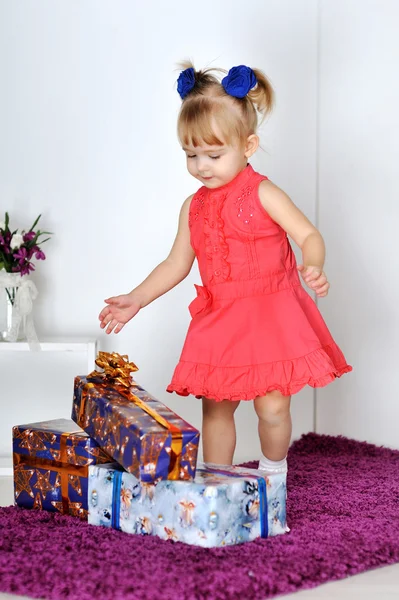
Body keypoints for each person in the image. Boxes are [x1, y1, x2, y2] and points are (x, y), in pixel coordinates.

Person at [98, 62, 352, 475]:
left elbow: (308, 235)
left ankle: (273, 472)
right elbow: (176, 263)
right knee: (215, 409)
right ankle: (218, 482)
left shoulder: (263, 193)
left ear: (248, 146)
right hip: (221, 319)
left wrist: (315, 264)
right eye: (191, 155)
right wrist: (136, 299)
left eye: (214, 155)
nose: (201, 166)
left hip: (271, 316)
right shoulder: (193, 206)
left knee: (272, 407)